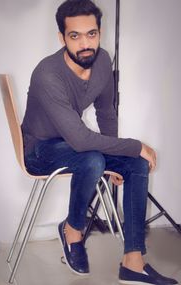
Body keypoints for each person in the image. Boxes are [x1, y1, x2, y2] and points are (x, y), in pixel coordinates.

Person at [21, 0, 178, 284]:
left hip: (73, 145)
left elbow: (106, 113)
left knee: (136, 162)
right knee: (94, 158)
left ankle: (133, 261)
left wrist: (123, 159)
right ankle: (73, 230)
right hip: (40, 149)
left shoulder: (103, 60)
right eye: (75, 35)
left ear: (100, 32)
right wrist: (134, 144)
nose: (85, 44)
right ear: (62, 38)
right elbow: (81, 141)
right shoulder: (47, 74)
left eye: (91, 34)